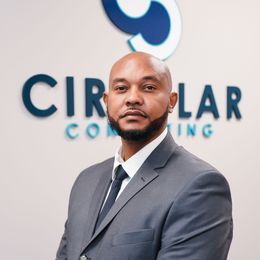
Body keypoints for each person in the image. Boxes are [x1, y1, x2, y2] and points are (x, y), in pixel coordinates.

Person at [56, 52, 233, 260]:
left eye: (149, 87)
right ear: (106, 100)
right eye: (121, 88)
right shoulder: (86, 180)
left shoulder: (200, 185)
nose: (132, 99)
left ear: (171, 101)